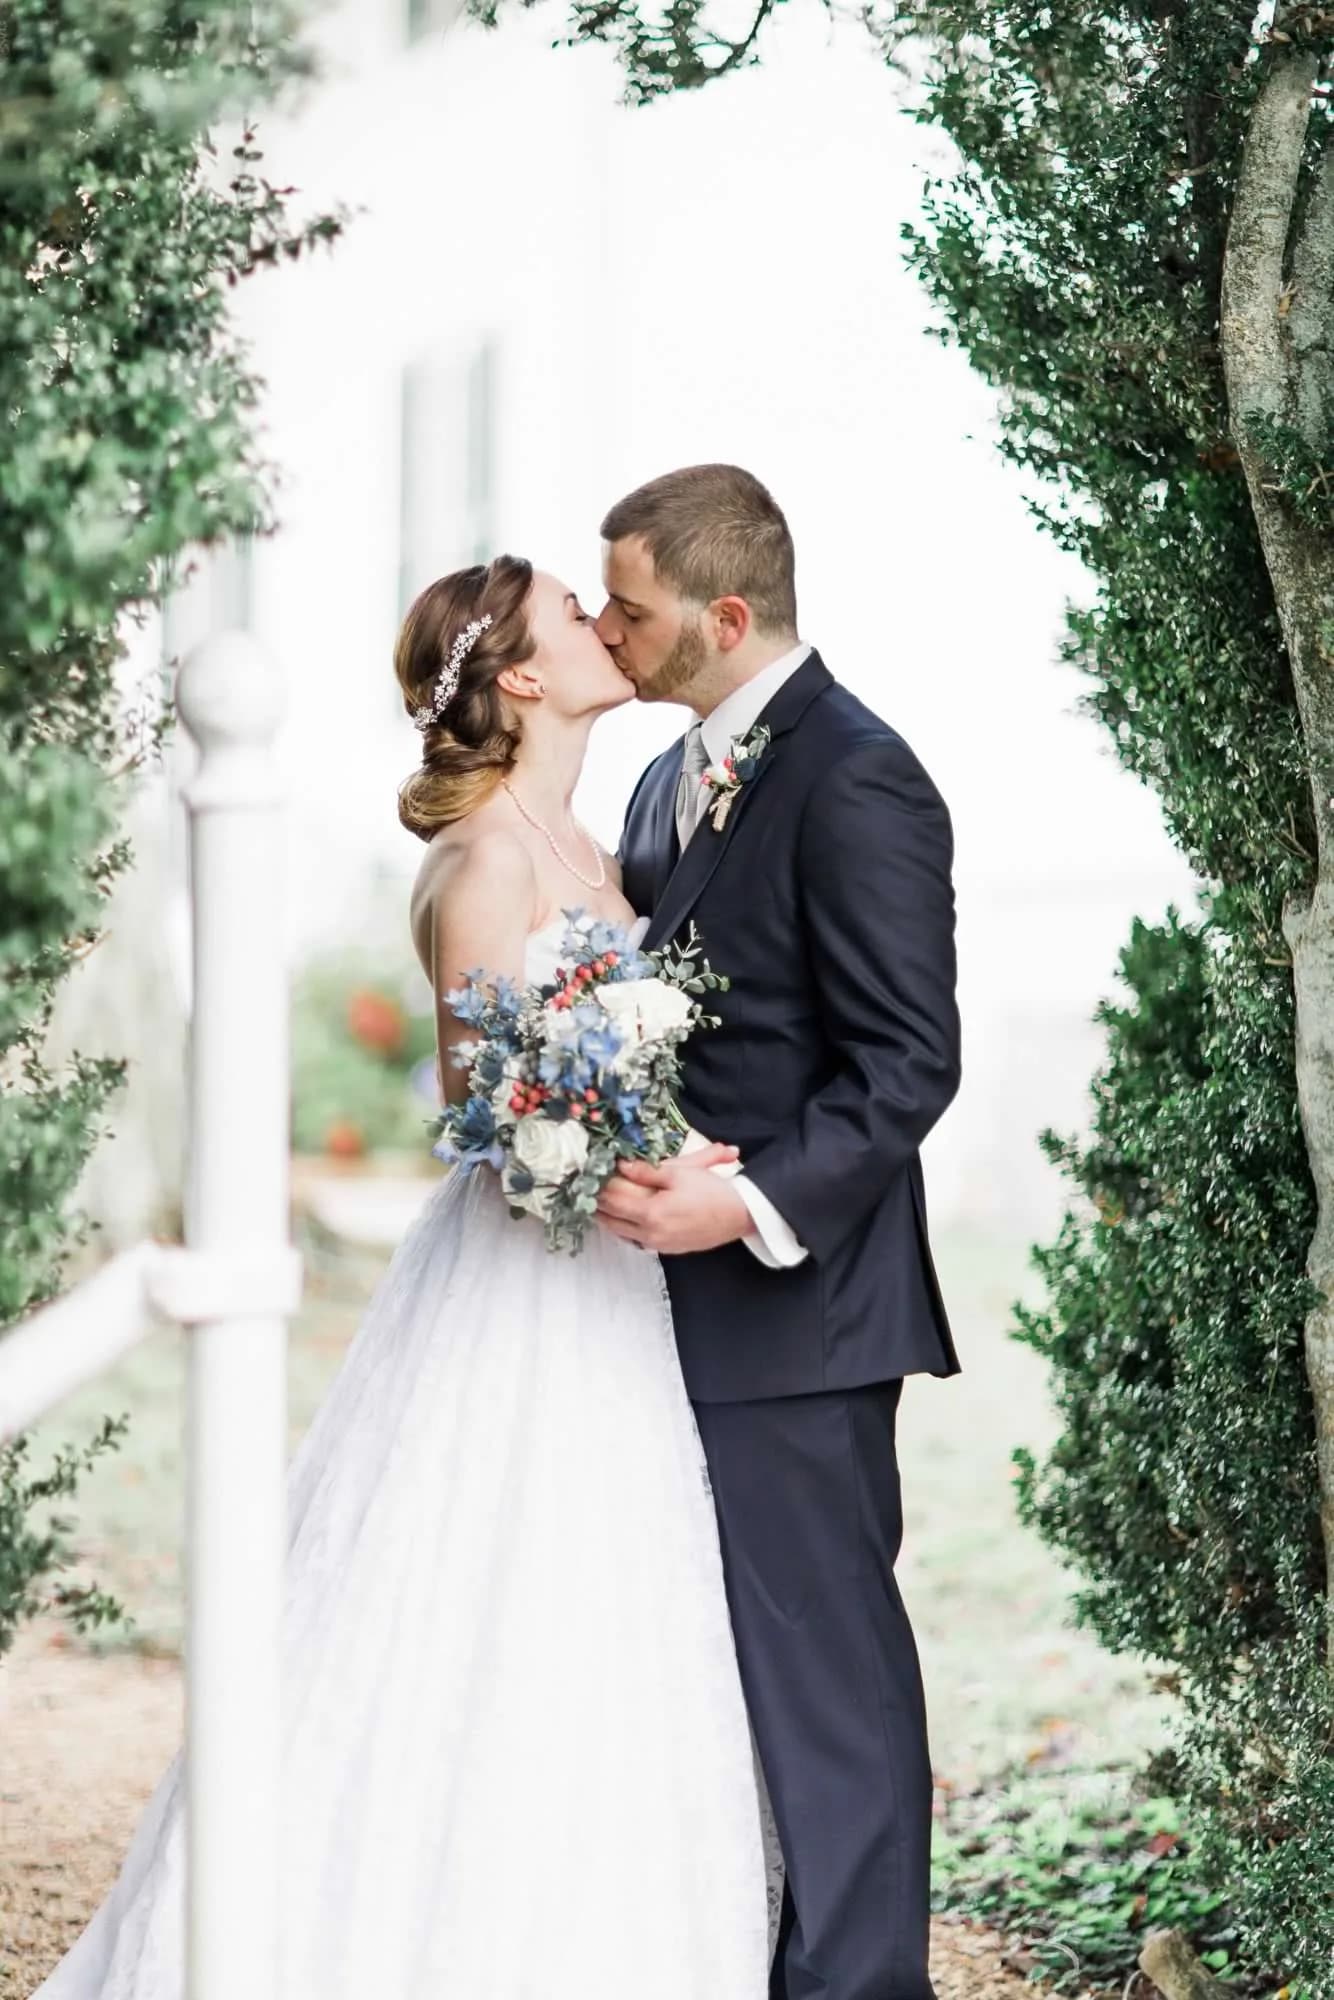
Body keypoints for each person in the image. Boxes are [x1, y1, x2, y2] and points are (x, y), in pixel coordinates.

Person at [28, 555, 773, 2000]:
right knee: (461, 1593)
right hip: (521, 1282)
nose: (604, 627)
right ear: (520, 678)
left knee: (612, 1607)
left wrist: (674, 1133)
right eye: (576, 613)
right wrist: (609, 1142)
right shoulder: (485, 858)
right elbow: (486, 1105)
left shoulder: (608, 847)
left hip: (618, 1293)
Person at [594, 462, 962, 2000]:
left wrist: (738, 1200)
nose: (606, 633)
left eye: (632, 610)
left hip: (798, 1318)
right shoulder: (659, 779)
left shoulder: (859, 775)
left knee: (827, 1687)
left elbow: (906, 1063)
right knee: (708, 1678)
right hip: (648, 1322)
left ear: (724, 615)